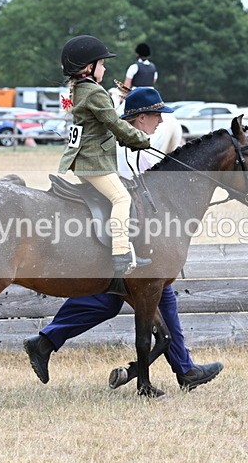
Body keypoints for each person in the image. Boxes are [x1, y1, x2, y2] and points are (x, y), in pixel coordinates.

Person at [25, 87, 224, 392]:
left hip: (131, 221)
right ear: (141, 117)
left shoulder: (127, 134)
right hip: (118, 223)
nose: (159, 122)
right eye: (156, 116)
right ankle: (47, 342)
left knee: (149, 296)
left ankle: (184, 369)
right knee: (114, 297)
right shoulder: (120, 139)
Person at [58, 35, 152, 276]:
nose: (105, 67)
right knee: (121, 198)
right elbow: (115, 124)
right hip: (94, 163)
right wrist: (140, 140)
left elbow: (101, 126)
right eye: (101, 64)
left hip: (83, 159)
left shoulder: (79, 89)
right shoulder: (95, 92)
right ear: (89, 68)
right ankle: (121, 254)